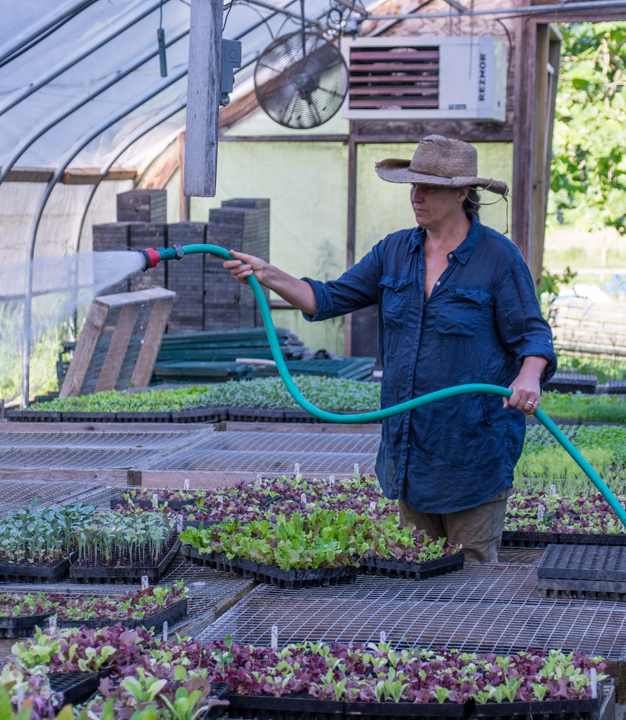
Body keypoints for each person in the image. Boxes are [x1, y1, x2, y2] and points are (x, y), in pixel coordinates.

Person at [222, 135, 556, 563]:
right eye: (413, 186)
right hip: (410, 450)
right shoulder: (395, 252)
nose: (416, 196)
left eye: (428, 188)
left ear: (462, 193)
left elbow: (533, 335)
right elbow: (327, 299)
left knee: (471, 577)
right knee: (417, 572)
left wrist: (529, 374)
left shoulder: (498, 258)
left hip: (471, 450)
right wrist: (266, 274)